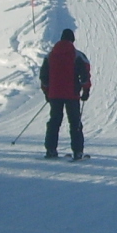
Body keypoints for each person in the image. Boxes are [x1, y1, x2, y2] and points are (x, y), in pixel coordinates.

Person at [39, 28, 91, 159]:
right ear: (72, 40)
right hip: (72, 94)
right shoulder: (77, 55)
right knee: (75, 122)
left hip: (54, 94)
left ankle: (51, 149)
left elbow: (43, 76)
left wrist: (47, 91)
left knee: (54, 121)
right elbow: (84, 74)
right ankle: (77, 151)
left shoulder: (50, 55)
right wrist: (86, 90)